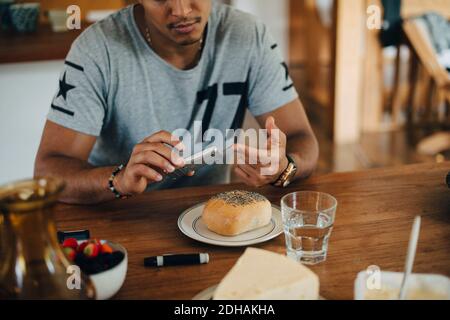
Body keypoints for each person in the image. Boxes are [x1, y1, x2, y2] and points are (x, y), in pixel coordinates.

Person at [34, 0, 318, 205]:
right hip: (118, 214)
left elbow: (301, 138)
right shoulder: (97, 49)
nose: (181, 10)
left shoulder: (247, 35)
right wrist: (119, 180)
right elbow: (48, 172)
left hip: (210, 211)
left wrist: (283, 168)